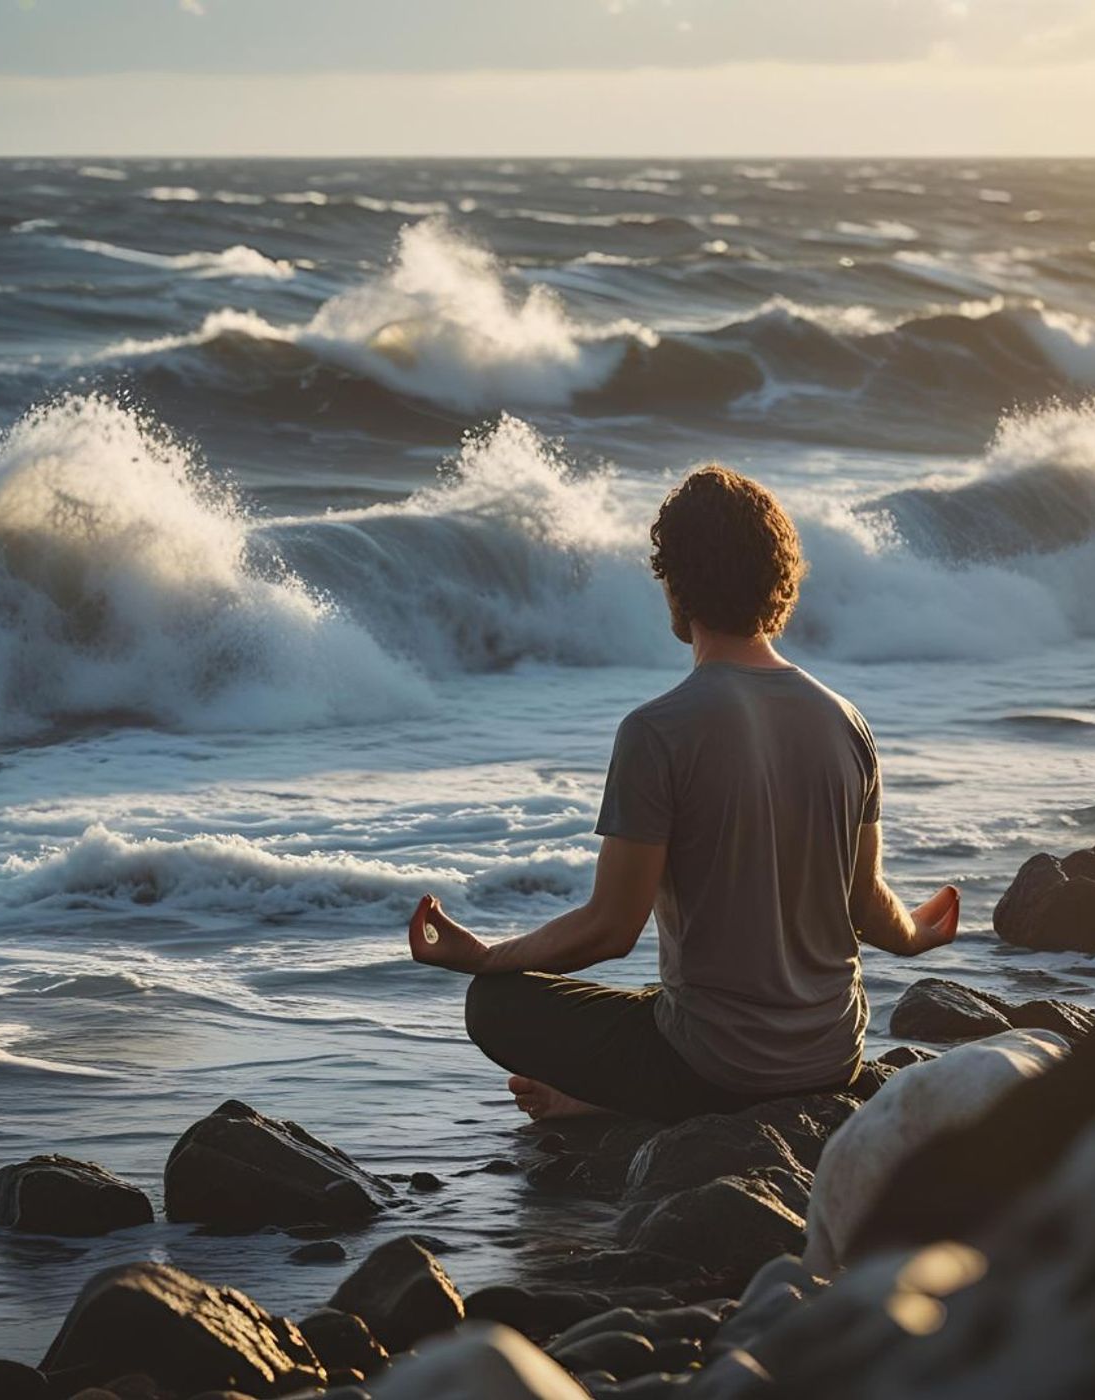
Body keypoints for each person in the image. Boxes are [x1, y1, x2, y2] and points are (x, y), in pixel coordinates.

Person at [407, 465, 960, 1124]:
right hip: (833, 1055)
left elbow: (612, 929)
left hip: (718, 1070)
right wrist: (917, 933)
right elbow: (867, 906)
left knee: (494, 1002)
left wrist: (485, 956)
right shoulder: (845, 721)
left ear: (675, 584)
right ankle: (603, 1098)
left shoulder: (656, 731)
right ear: (778, 579)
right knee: (673, 998)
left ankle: (610, 1103)